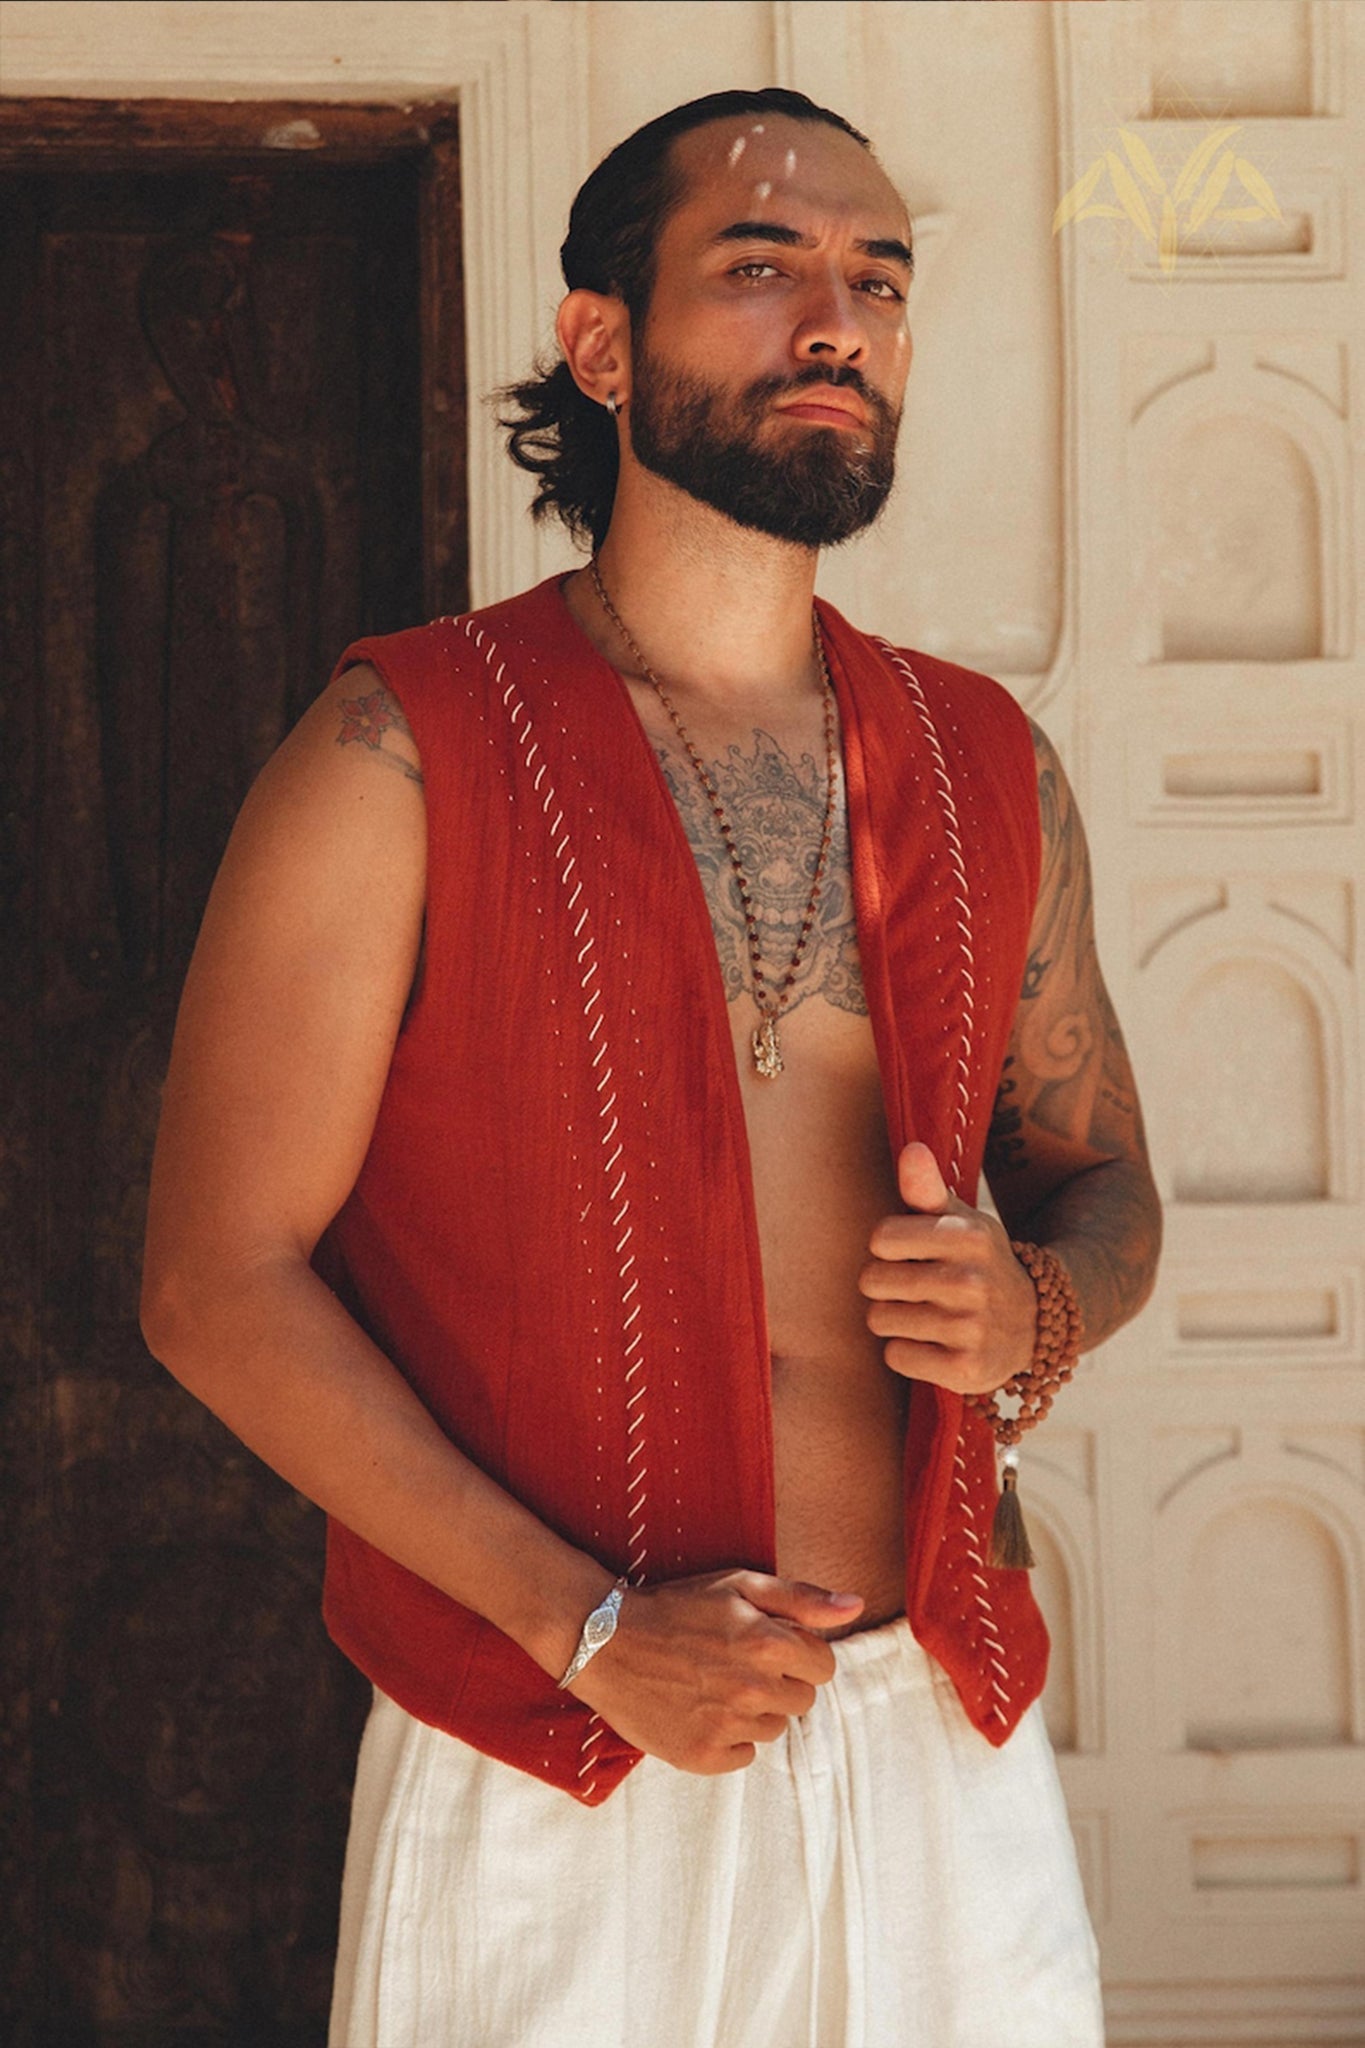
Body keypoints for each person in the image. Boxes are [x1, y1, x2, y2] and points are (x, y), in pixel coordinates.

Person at [141, 87, 1161, 2048]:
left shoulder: (977, 764)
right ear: (597, 341)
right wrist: (583, 1627)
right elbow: (211, 1282)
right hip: (560, 1744)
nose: (834, 317)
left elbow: (1093, 1178)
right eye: (760, 264)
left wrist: (1034, 1300)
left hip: (941, 1728)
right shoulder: (399, 752)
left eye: (876, 277)